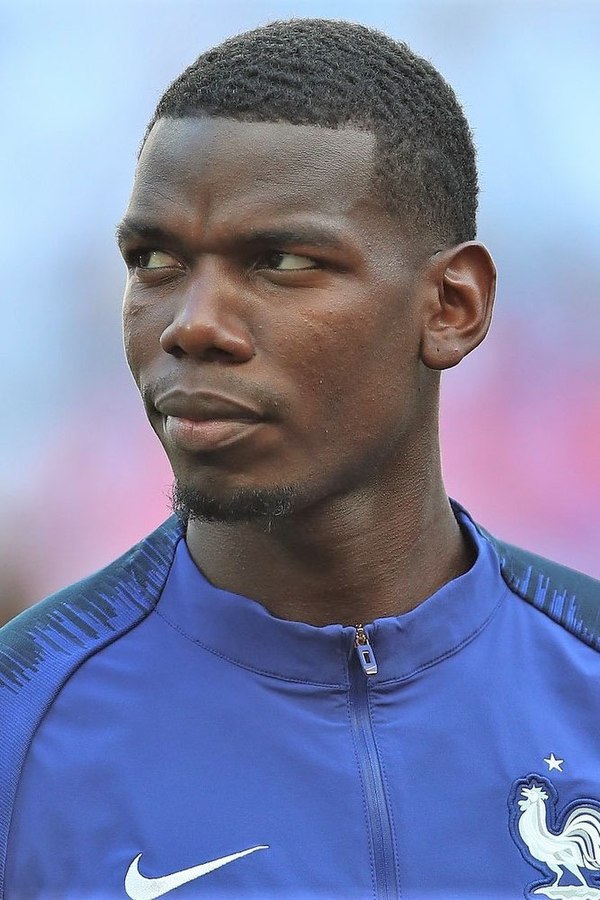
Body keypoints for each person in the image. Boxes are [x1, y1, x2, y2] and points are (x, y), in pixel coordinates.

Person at [1, 18, 599, 900]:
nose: (191, 324)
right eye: (155, 260)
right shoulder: (23, 725)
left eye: (278, 260)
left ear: (453, 307)